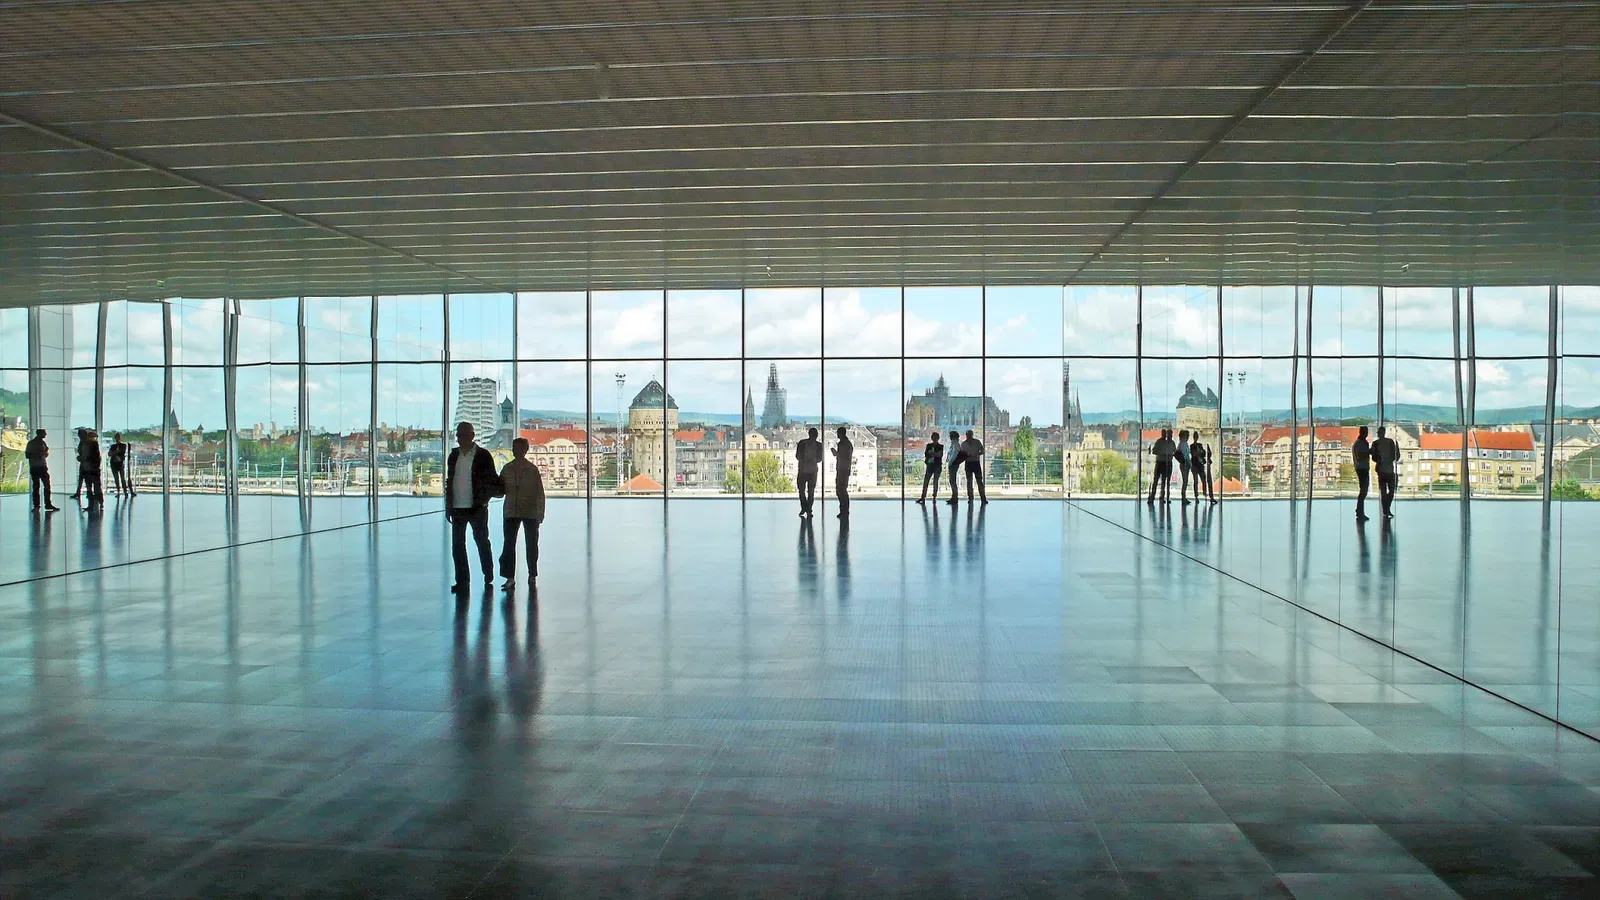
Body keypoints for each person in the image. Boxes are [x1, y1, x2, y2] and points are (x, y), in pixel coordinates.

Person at [444, 422, 502, 593]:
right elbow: (450, 481)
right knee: (458, 546)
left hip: (477, 507)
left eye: (461, 435)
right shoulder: (453, 456)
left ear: (471, 436)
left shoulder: (483, 456)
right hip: (458, 508)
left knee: (482, 541)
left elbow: (491, 479)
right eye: (458, 435)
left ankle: (488, 573)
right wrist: (449, 506)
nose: (459, 439)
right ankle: (462, 581)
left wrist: (484, 499)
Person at [498, 437, 545, 592]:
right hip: (513, 510)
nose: (516, 451)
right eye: (515, 448)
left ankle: (531, 574)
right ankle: (512, 576)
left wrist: (540, 512)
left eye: (518, 448)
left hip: (526, 510)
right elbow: (499, 489)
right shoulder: (509, 469)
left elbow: (539, 493)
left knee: (530, 544)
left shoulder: (529, 470)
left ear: (525, 450)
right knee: (509, 545)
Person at [24, 429, 58, 512]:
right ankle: (44, 504)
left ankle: (39, 505)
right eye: (44, 433)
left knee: (41, 486)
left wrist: (44, 453)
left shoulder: (40, 443)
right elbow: (27, 455)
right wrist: (40, 454)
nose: (46, 434)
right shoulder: (32, 443)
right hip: (37, 467)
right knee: (40, 486)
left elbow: (43, 452)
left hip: (40, 466)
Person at [1371, 425, 1400, 519]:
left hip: (1383, 470)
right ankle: (1386, 509)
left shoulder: (1376, 443)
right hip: (1387, 470)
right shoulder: (1389, 442)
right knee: (1389, 491)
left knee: (1386, 492)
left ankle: (1386, 509)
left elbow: (1374, 458)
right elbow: (1396, 457)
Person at [794, 427, 823, 517]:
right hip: (811, 470)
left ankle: (805, 508)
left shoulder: (802, 443)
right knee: (810, 491)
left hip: (805, 470)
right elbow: (819, 459)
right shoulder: (818, 445)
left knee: (803, 490)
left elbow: (798, 455)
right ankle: (808, 509)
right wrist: (811, 460)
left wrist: (804, 460)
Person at [1147, 428, 1176, 504]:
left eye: (1170, 434)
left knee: (1165, 481)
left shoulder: (1172, 443)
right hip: (1160, 462)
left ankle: (1163, 497)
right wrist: (1162, 453)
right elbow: (1154, 451)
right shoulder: (1159, 442)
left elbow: (1175, 452)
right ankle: (1152, 497)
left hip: (1168, 462)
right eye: (1167, 434)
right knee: (1156, 480)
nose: (1168, 435)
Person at [831, 426, 854, 518]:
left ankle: (844, 510)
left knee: (841, 490)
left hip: (842, 469)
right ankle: (844, 510)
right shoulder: (846, 443)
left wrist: (836, 453)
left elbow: (844, 456)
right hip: (843, 468)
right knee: (841, 490)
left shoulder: (844, 444)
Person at [78, 430, 103, 509]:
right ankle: (91, 505)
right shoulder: (82, 444)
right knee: (89, 487)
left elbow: (96, 457)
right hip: (86, 468)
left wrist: (84, 459)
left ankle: (100, 502)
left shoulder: (93, 444)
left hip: (92, 468)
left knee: (96, 487)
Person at [961, 429, 987, 503]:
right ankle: (970, 498)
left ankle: (983, 498)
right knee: (969, 481)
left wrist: (977, 454)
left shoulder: (977, 442)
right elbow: (962, 455)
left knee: (979, 481)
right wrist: (966, 455)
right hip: (968, 463)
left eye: (970, 435)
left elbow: (983, 451)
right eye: (968, 435)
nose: (969, 436)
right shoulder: (963, 444)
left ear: (972, 435)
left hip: (976, 462)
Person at [1351, 425, 1372, 521]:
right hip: (1362, 468)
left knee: (1363, 490)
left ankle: (1359, 510)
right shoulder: (1360, 443)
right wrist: (1369, 452)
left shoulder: (1361, 443)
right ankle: (1360, 511)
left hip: (1362, 468)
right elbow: (1360, 456)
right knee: (1363, 490)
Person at [917, 431, 943, 504]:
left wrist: (932, 453)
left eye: (935, 438)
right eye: (933, 437)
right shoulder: (929, 445)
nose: (934, 439)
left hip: (936, 465)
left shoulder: (940, 446)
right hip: (931, 465)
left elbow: (939, 455)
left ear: (938, 438)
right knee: (927, 481)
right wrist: (935, 454)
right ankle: (923, 497)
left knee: (935, 481)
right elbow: (926, 454)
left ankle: (933, 497)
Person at [945, 429, 965, 505]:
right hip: (953, 464)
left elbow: (954, 454)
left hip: (953, 464)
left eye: (951, 436)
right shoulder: (954, 444)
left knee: (952, 481)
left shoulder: (955, 444)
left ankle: (955, 497)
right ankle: (954, 496)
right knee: (952, 481)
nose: (950, 437)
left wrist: (950, 462)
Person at [1175, 428, 1191, 504]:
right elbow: (1185, 455)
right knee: (1185, 481)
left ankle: (1184, 497)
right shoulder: (1183, 443)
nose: (1188, 437)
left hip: (1184, 464)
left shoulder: (1182, 443)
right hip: (1185, 464)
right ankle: (1183, 497)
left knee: (1185, 481)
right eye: (1187, 435)